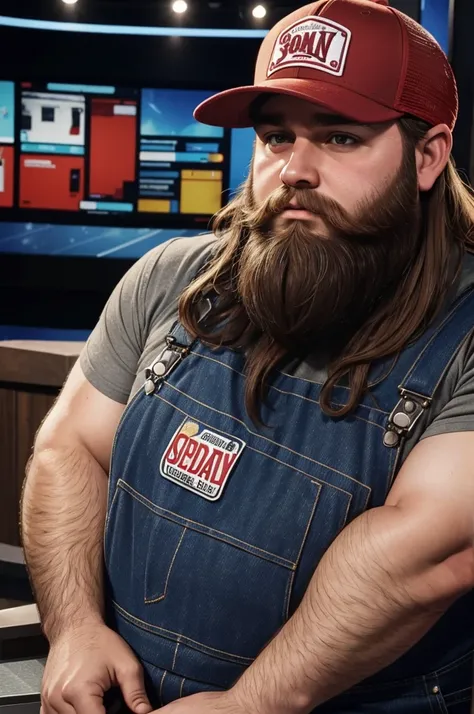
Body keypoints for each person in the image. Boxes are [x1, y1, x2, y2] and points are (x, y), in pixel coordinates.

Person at [21, 0, 474, 712]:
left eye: (341, 139)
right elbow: (69, 448)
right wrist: (73, 627)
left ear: (428, 155)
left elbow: (433, 551)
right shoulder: (173, 278)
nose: (296, 169)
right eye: (275, 136)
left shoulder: (466, 336)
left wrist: (248, 705)